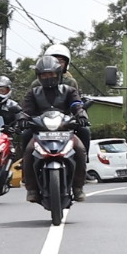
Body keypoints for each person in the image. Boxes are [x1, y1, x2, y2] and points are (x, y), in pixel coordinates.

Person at [19, 55, 89, 203]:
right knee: (29, 150)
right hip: (40, 132)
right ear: (39, 76)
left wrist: (81, 114)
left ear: (58, 74)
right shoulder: (33, 92)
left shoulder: (69, 90)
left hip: (65, 130)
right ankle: (31, 188)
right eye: (44, 74)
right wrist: (23, 119)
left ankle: (78, 188)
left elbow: (76, 104)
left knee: (80, 149)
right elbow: (27, 110)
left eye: (51, 73)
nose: (48, 77)